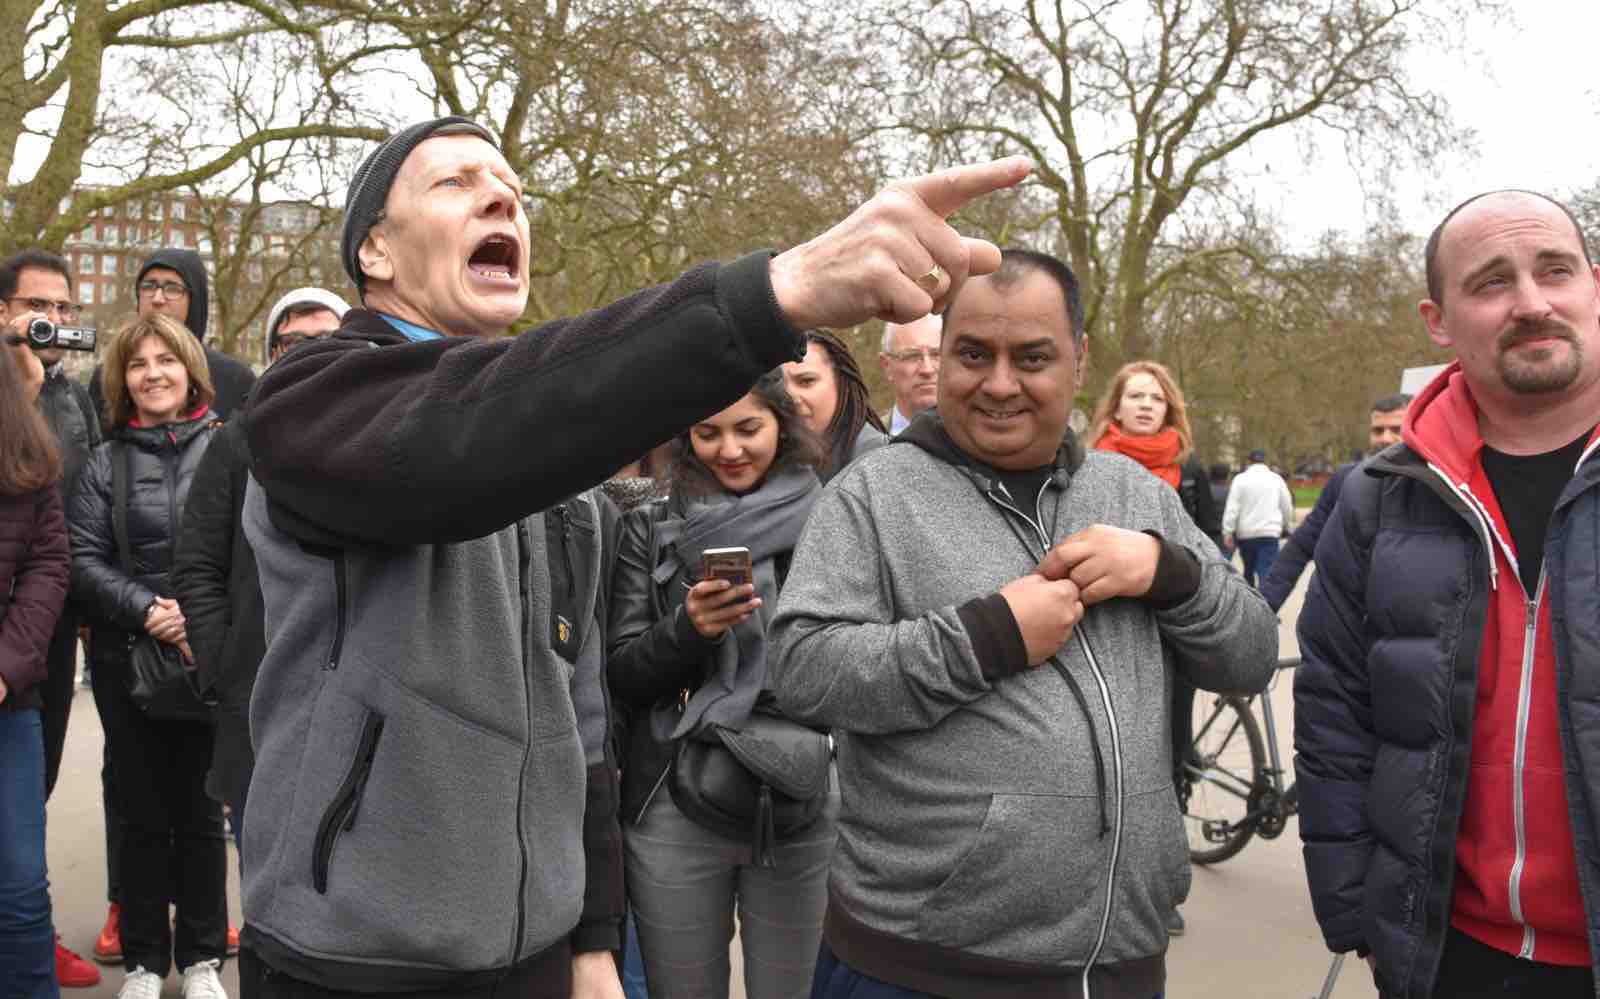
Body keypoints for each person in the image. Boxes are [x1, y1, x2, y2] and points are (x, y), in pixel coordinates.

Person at [235, 115, 1028, 998]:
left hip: (534, 954)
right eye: (455, 182)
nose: (503, 196)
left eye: (513, 189)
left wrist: (589, 937)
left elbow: (579, 719)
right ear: (375, 249)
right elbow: (457, 438)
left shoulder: (565, 479)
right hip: (351, 961)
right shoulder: (307, 399)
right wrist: (779, 290)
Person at [768, 248, 1277, 998]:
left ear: (1078, 361)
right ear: (942, 357)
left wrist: (1172, 572)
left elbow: (1252, 654)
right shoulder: (874, 494)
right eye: (974, 354)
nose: (999, 383)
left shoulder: (1134, 493)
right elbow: (804, 670)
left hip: (1120, 961)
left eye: (1032, 357)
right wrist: (988, 636)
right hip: (922, 969)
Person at [1295, 190, 1600, 999]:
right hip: (1443, 958)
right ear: (1439, 320)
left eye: (1555, 271)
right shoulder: (1378, 497)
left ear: (1594, 286)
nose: (1531, 302)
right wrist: (1358, 911)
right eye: (1492, 282)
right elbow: (1334, 712)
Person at [608, 371, 834, 997]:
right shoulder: (648, 524)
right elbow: (623, 671)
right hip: (673, 791)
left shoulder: (836, 518)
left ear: (783, 426)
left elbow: (852, 661)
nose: (729, 450)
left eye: (748, 429)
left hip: (801, 788)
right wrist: (689, 630)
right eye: (707, 433)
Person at [68, 314, 229, 999]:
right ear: (122, 379)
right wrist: (146, 609)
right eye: (139, 363)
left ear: (190, 368)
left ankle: (200, 959)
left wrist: (201, 617)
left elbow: (243, 550)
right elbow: (81, 555)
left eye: (167, 359)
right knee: (139, 813)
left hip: (206, 653)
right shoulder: (104, 461)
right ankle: (141, 961)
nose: (153, 372)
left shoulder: (226, 452)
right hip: (126, 659)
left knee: (200, 813)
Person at [172, 287, 349, 867]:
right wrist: (219, 665)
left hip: (357, 702)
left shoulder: (378, 440)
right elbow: (197, 561)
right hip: (256, 699)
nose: (307, 354)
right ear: (273, 352)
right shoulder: (235, 442)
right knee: (266, 878)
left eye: (325, 340)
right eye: (292, 342)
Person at [1086, 359, 1223, 938]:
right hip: (1106, 632)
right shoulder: (1090, 467)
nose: (1145, 405)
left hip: (1173, 634)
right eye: (1135, 396)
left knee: (1167, 754)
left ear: (1170, 410)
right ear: (1114, 407)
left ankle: (1160, 888)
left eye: (1156, 398)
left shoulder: (1187, 472)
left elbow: (1213, 550)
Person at [0, 249, 103, 987]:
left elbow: (78, 511)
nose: (54, 320)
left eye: (64, 309)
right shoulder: (23, 389)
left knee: (27, 802)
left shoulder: (75, 395)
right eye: (39, 305)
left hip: (47, 630)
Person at [0, 334, 71, 997]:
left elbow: (49, 566)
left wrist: (5, 668)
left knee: (20, 889)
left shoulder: (27, 459)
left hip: (8, 706)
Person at [1257, 393, 1409, 611]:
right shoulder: (1346, 479)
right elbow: (1303, 543)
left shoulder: (1437, 485)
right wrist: (1263, 608)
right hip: (1347, 621)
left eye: (1396, 430)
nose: (1385, 438)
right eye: (1378, 430)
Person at [88, 249, 256, 423]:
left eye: (172, 288)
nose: (158, 298)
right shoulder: (108, 377)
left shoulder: (235, 379)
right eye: (149, 286)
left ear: (194, 301)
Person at [783, 329, 889, 480]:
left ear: (841, 384)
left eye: (806, 381)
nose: (790, 396)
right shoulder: (766, 462)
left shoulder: (879, 460)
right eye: (778, 384)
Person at [1221, 448, 1292, 587]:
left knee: (1249, 570)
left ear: (1249, 461)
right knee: (1266, 571)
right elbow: (1286, 505)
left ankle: (1249, 602)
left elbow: (1232, 508)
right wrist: (1286, 525)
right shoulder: (1276, 479)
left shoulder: (1240, 480)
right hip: (1269, 532)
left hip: (1246, 534)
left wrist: (1227, 531)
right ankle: (1266, 603)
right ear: (1264, 461)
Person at [877, 315, 941, 434]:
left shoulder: (980, 440)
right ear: (886, 366)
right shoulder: (863, 445)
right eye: (912, 356)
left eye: (936, 354)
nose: (927, 369)